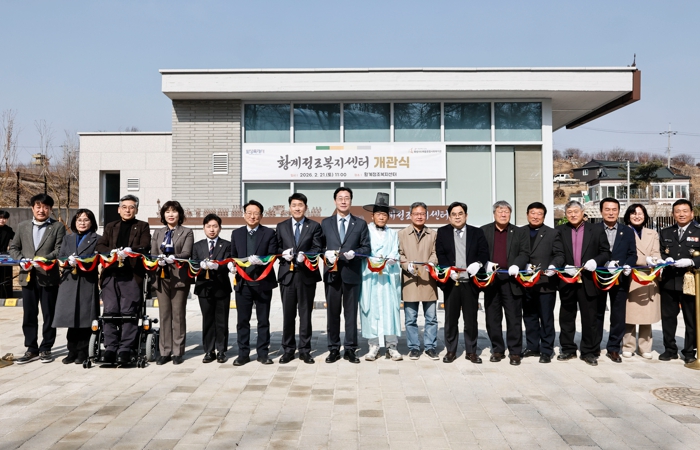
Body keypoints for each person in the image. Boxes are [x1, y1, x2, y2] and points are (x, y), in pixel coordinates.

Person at [95, 194, 151, 365]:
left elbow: (145, 245)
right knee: (110, 311)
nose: (128, 210)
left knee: (129, 312)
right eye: (124, 207)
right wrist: (111, 252)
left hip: (131, 275)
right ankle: (110, 347)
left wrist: (129, 251)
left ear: (136, 210)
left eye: (131, 207)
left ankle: (126, 348)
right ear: (119, 210)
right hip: (111, 275)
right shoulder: (111, 226)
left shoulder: (142, 226)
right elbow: (100, 245)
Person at [9, 194, 65, 364]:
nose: (42, 210)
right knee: (29, 314)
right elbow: (14, 247)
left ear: (50, 209)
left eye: (46, 207)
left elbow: (59, 249)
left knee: (49, 314)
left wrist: (42, 260)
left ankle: (46, 347)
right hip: (27, 276)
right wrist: (21, 259)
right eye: (38, 206)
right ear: (32, 208)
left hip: (48, 276)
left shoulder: (57, 227)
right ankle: (31, 348)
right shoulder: (22, 226)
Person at [555, 200, 610, 366]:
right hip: (568, 279)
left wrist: (595, 261)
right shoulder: (560, 230)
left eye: (575, 211)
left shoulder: (596, 229)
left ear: (582, 212)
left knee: (590, 317)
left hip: (588, 280)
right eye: (569, 212)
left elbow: (605, 252)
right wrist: (564, 266)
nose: (573, 215)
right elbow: (556, 252)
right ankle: (568, 348)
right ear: (565, 214)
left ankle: (589, 351)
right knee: (566, 316)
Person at [321, 187, 371, 364]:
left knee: (351, 314)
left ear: (351, 201)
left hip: (352, 273)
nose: (343, 201)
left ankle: (350, 349)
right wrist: (325, 253)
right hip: (332, 274)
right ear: (335, 200)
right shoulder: (325, 223)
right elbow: (318, 246)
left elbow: (366, 248)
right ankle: (333, 348)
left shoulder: (360, 224)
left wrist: (355, 254)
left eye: (347, 198)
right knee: (332, 313)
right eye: (340, 198)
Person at [435, 201, 489, 364]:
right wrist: (448, 270)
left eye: (460, 214)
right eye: (454, 214)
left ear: (466, 215)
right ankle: (451, 350)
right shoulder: (442, 232)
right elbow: (440, 253)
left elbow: (484, 252)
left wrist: (478, 264)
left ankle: (471, 351)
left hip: (470, 282)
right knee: (451, 319)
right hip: (452, 282)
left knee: (471, 319)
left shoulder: (476, 232)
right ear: (449, 217)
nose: (457, 217)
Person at [228, 200, 278, 366]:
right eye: (249, 213)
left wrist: (262, 261)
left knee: (263, 320)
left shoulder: (269, 233)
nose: (252, 216)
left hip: (263, 283)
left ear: (261, 216)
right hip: (243, 284)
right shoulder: (236, 234)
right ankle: (243, 353)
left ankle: (263, 353)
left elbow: (272, 254)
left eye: (256, 213)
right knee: (243, 321)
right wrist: (232, 266)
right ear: (244, 215)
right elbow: (233, 255)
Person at [480, 201, 529, 366]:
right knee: (492, 318)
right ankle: (497, 349)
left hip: (512, 281)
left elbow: (524, 253)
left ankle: (515, 352)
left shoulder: (519, 232)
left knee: (514, 317)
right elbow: (480, 251)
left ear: (510, 214)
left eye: (506, 211)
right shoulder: (484, 230)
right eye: (500, 211)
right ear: (494, 213)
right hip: (492, 281)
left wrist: (517, 265)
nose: (503, 214)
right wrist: (485, 263)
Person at [276, 193, 323, 364]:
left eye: (300, 205)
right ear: (289, 207)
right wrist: (283, 253)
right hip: (287, 276)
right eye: (294, 205)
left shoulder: (314, 226)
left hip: (306, 275)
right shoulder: (281, 226)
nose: (297, 208)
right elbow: (276, 247)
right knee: (288, 315)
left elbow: (318, 247)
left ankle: (305, 350)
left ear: (306, 207)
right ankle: (288, 350)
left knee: (305, 314)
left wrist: (307, 255)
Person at [52, 209, 100, 364]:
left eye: (86, 220)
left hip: (87, 280)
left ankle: (83, 351)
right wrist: (67, 261)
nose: (82, 223)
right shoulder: (68, 238)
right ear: (74, 222)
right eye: (79, 220)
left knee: (85, 318)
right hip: (69, 281)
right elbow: (61, 256)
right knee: (70, 318)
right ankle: (71, 350)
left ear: (92, 222)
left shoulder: (97, 239)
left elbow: (98, 258)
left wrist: (83, 261)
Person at [360, 193, 402, 361]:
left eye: (384, 214)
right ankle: (373, 345)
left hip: (387, 277)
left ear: (388, 217)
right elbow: (363, 249)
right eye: (378, 214)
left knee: (390, 309)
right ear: (373, 216)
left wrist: (392, 259)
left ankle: (392, 345)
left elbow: (395, 251)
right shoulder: (365, 231)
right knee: (371, 308)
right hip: (371, 276)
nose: (382, 217)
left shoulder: (393, 234)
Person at [520, 202, 564, 364]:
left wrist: (553, 265)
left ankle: (546, 350)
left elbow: (559, 254)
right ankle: (532, 346)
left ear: (544, 216)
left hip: (546, 282)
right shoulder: (520, 232)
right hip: (525, 282)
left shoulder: (552, 233)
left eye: (539, 213)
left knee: (546, 318)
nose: (535, 216)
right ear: (527, 214)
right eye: (532, 213)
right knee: (529, 316)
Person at [594, 198, 637, 363]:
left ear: (619, 211)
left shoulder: (627, 231)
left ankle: (613, 347)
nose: (611, 213)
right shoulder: (594, 229)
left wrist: (628, 265)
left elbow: (632, 254)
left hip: (620, 277)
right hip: (598, 276)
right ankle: (594, 345)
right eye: (607, 209)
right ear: (601, 211)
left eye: (614, 209)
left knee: (618, 314)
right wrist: (603, 263)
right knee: (596, 312)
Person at [151, 201, 194, 365]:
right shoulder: (158, 232)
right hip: (161, 277)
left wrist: (172, 258)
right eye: (167, 211)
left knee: (178, 315)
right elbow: (153, 253)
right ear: (163, 215)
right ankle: (164, 351)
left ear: (179, 214)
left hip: (179, 278)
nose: (171, 214)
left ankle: (177, 351)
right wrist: (159, 260)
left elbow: (186, 253)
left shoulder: (187, 232)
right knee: (164, 315)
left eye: (174, 211)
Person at [658, 199, 699, 364]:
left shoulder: (698, 231)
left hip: (690, 281)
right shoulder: (666, 232)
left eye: (685, 211)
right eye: (677, 211)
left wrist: (692, 261)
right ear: (673, 214)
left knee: (691, 318)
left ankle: (689, 351)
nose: (681, 214)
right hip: (669, 280)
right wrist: (663, 258)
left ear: (692, 213)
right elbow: (661, 251)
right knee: (668, 317)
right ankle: (670, 349)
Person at [398, 202, 439, 360]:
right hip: (410, 280)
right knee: (410, 318)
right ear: (410, 216)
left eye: (422, 214)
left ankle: (430, 347)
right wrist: (406, 264)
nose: (419, 216)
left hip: (428, 279)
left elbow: (436, 252)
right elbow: (399, 253)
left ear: (426, 215)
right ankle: (414, 347)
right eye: (416, 214)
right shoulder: (402, 234)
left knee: (431, 317)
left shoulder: (433, 234)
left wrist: (432, 262)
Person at [622, 204, 661, 359]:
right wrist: (645, 259)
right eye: (633, 213)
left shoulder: (652, 233)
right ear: (628, 216)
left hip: (649, 276)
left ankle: (645, 347)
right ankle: (628, 345)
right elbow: (624, 254)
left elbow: (656, 252)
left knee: (647, 315)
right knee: (629, 315)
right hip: (631, 276)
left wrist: (655, 260)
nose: (637, 216)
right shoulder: (623, 231)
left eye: (640, 213)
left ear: (645, 216)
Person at [192, 214, 232, 364]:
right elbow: (193, 264)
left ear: (220, 228)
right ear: (204, 228)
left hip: (221, 287)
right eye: (208, 226)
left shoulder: (227, 245)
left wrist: (218, 266)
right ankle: (209, 350)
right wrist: (200, 266)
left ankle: (221, 350)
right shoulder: (197, 246)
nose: (212, 229)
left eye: (215, 226)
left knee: (222, 320)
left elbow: (229, 263)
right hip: (204, 287)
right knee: (207, 319)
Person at [0, 210, 14, 299]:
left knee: (5, 277)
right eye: (0, 218)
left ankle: (5, 296)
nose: (2, 220)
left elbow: (16, 239)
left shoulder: (8, 230)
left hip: (4, 257)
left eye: (4, 218)